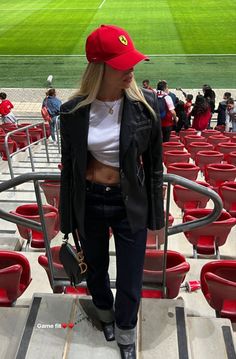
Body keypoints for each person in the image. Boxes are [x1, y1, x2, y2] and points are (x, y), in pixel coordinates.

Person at [59, 24, 164, 359]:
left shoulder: (145, 104)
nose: (132, 69)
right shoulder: (73, 111)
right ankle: (105, 315)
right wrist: (66, 219)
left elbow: (155, 167)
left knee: (132, 275)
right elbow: (68, 171)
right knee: (98, 269)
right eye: (123, 64)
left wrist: (157, 216)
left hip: (129, 202)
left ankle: (126, 331)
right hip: (89, 201)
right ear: (100, 68)